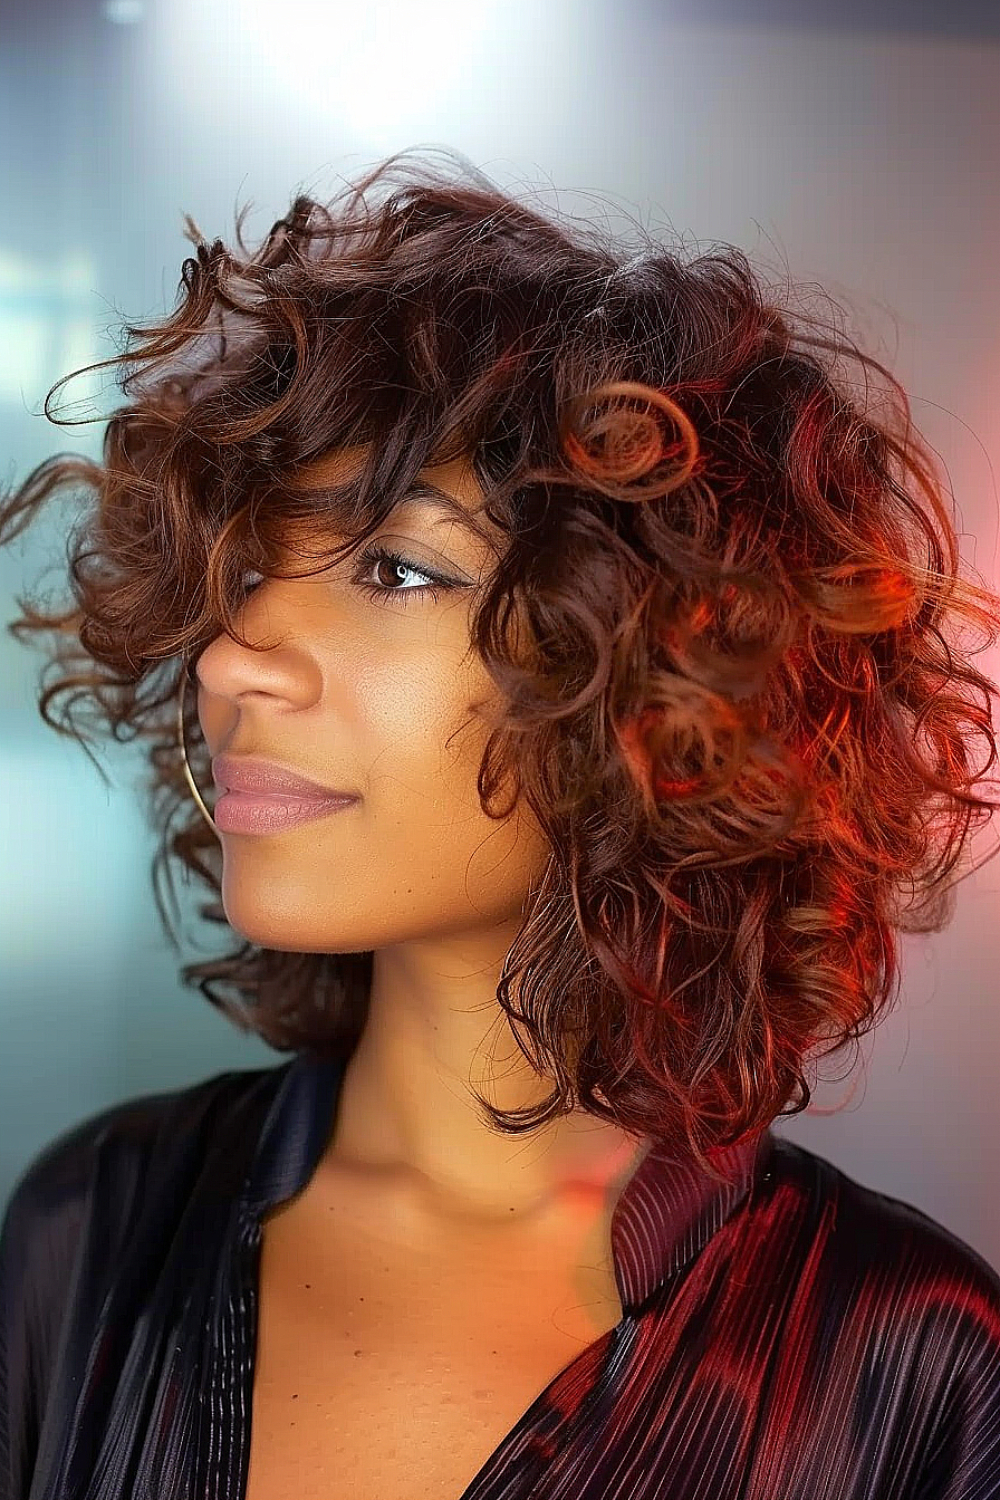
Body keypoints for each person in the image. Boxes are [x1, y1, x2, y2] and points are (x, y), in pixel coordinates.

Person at [1, 146, 999, 1500]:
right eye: (247, 563)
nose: (234, 658)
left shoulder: (917, 1369)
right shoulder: (92, 1232)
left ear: (667, 670)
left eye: (397, 567)